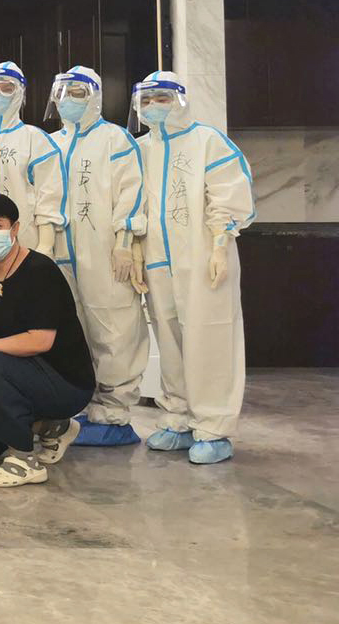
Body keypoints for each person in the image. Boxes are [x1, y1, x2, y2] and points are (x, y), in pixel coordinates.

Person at [130, 71, 254, 465]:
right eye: (146, 100)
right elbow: (133, 204)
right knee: (168, 339)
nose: (153, 106)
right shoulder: (139, 149)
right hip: (158, 260)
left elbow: (229, 194)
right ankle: (178, 418)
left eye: (162, 98)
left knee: (209, 339)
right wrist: (135, 250)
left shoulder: (207, 141)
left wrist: (220, 244)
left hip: (203, 258)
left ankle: (213, 428)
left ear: (180, 100)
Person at [0, 193, 94, 487]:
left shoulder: (40, 271)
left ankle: (24, 460)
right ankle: (51, 427)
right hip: (20, 375)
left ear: (14, 229)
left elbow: (40, 341)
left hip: (63, 382)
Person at [46, 65, 148, 446]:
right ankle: (78, 405)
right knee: (71, 331)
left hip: (105, 254)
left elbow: (132, 192)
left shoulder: (116, 140)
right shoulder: (50, 144)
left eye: (78, 93)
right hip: (60, 255)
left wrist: (124, 240)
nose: (68, 101)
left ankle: (114, 413)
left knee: (113, 329)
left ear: (95, 97)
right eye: (63, 94)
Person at [0, 62, 64, 257]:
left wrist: (46, 244)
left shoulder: (34, 139)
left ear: (20, 93)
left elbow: (49, 194)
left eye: (7, 89)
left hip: (24, 239)